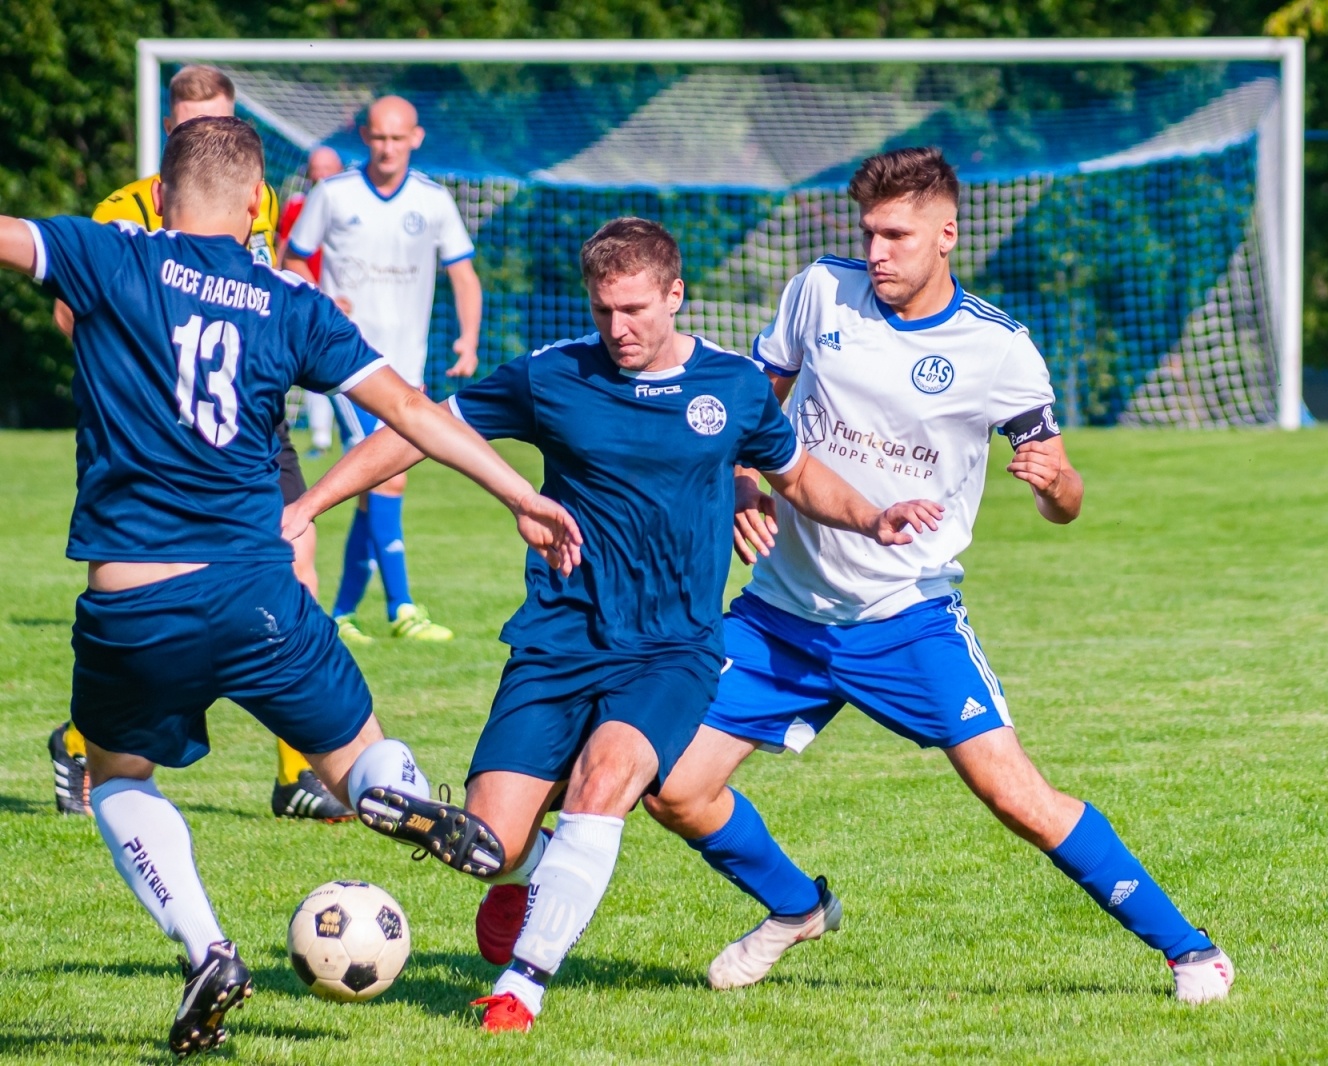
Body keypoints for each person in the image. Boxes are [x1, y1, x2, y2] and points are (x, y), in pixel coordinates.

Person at [0, 116, 580, 1056]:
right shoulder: (290, 302)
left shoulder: (107, 255)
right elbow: (414, 412)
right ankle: (392, 796)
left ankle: (206, 951)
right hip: (258, 592)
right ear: (260, 206)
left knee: (115, 779)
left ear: (161, 190)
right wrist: (520, 492)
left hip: (134, 604)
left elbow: (10, 235)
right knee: (354, 758)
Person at [284, 217, 943, 1033]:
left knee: (610, 772)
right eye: (603, 312)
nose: (618, 330)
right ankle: (521, 873)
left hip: (672, 648)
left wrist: (874, 518)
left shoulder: (732, 387)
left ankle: (521, 990)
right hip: (557, 641)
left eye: (634, 309)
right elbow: (419, 424)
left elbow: (797, 473)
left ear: (675, 295)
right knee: (485, 841)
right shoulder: (552, 377)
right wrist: (308, 503)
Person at [625, 148, 1234, 1004]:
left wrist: (1057, 486)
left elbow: (1066, 494)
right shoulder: (818, 293)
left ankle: (1191, 951)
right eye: (869, 233)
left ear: (946, 235)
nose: (878, 252)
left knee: (1016, 797)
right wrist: (742, 485)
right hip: (780, 615)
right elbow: (750, 409)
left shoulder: (997, 350)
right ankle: (797, 909)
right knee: (674, 788)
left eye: (898, 236)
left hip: (903, 615)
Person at [45, 64, 351, 825]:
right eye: (187, 124)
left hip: (248, 412)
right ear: (169, 128)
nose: (201, 132)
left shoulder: (260, 193)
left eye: (215, 118)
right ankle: (83, 742)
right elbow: (73, 307)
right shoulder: (126, 207)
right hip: (163, 421)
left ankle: (299, 774)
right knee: (179, 597)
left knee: (296, 563)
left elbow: (256, 279)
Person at [284, 95, 482, 645]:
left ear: (415, 138)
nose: (388, 147)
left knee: (377, 483)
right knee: (388, 474)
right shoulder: (333, 193)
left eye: (398, 138)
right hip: (344, 363)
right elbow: (293, 259)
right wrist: (321, 297)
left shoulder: (435, 201)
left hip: (406, 368)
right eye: (378, 137)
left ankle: (343, 614)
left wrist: (468, 339)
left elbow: (464, 275)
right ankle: (402, 608)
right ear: (364, 137)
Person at [277, 146, 344, 457]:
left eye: (326, 167)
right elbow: (284, 247)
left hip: (346, 298)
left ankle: (362, 433)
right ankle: (320, 437)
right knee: (314, 365)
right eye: (315, 167)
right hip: (308, 296)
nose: (319, 174)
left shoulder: (348, 204)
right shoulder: (295, 205)